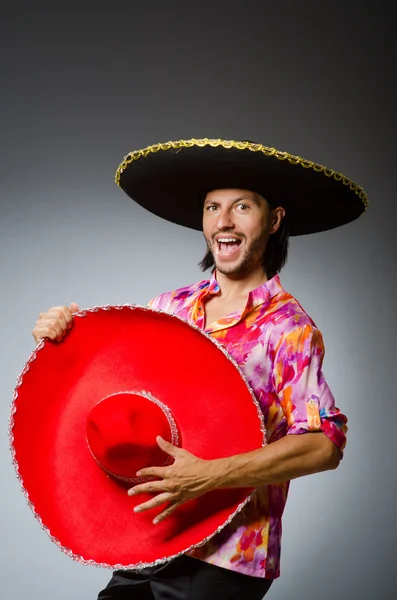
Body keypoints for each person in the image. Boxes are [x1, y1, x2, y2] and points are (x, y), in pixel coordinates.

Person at [32, 138, 364, 599]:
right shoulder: (169, 309)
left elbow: (324, 444)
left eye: (241, 207)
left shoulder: (288, 329)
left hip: (227, 559)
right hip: (152, 537)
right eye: (212, 207)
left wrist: (210, 475)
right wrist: (67, 340)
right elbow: (125, 394)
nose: (223, 222)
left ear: (274, 220)